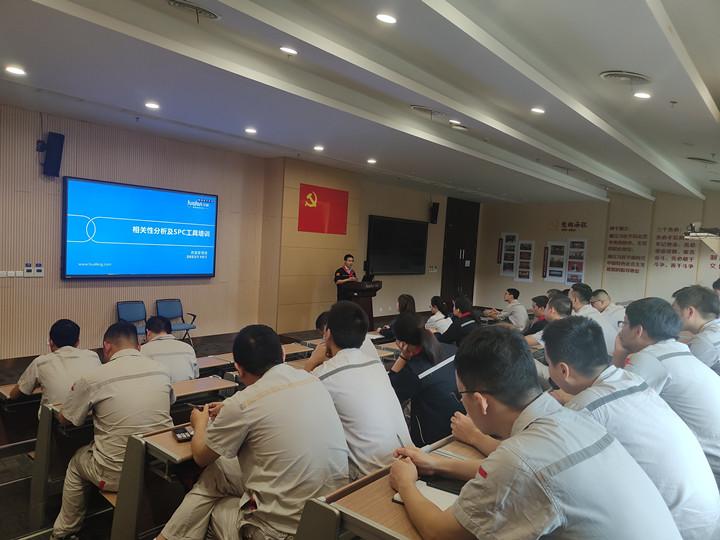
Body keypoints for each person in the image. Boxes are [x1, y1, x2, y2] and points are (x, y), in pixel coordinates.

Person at [389, 326, 682, 540]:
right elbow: (516, 474)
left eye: (461, 395)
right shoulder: (571, 418)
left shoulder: (520, 458)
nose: (461, 402)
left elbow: (440, 532)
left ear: (480, 401)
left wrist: (406, 483)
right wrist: (436, 463)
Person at [158, 325, 349, 540]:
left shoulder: (243, 404)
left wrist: (199, 423)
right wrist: (230, 407)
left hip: (279, 531)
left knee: (212, 508)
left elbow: (201, 456)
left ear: (238, 369)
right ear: (282, 354)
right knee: (217, 474)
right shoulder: (312, 381)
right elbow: (272, 402)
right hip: (329, 516)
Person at [544, 316, 720, 540]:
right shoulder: (630, 380)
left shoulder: (583, 411)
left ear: (563, 370)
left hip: (677, 528)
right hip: (707, 514)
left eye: (548, 364)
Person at [51, 321, 175, 540]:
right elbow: (170, 402)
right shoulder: (162, 370)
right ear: (138, 347)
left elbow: (66, 419)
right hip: (160, 468)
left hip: (116, 474)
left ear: (106, 346)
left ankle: (63, 531)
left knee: (76, 463)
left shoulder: (94, 377)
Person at [616, 297, 720, 487]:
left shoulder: (649, 358)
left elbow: (614, 407)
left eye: (624, 323)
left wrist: (618, 354)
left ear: (638, 331)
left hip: (709, 466)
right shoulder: (677, 350)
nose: (621, 330)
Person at [304, 301, 410, 479]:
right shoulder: (376, 365)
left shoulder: (323, 376)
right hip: (409, 461)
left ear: (327, 333)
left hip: (372, 476)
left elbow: (296, 399)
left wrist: (311, 362)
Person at [389, 313, 463, 446]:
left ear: (402, 343)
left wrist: (403, 357)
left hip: (431, 441)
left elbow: (390, 392)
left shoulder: (413, 372)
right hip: (460, 425)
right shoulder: (453, 350)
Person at [9, 319, 100, 407]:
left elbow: (14, 395)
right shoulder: (93, 356)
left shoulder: (41, 362)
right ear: (77, 342)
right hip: (90, 416)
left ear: (51, 342)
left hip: (55, 417)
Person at [672, 285, 720, 373]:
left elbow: (683, 374)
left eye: (675, 311)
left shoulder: (704, 341)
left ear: (690, 312)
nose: (671, 317)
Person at [141, 315, 199, 382]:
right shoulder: (188, 348)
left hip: (159, 388)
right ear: (170, 331)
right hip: (188, 387)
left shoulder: (142, 351)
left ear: (148, 332)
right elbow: (196, 375)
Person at [569, 283, 618, 353]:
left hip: (604, 357)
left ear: (575, 300)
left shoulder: (579, 319)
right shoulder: (595, 313)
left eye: (568, 298)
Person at [315, 311, 380, 362]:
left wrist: (313, 360)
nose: (324, 338)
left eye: (323, 334)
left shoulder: (340, 341)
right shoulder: (355, 333)